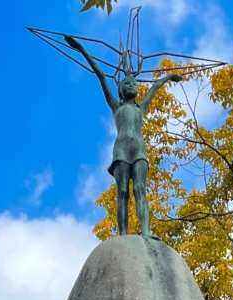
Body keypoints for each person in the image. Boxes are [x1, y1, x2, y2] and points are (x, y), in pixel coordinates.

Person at [64, 34, 182, 239]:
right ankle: (123, 235)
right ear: (120, 89)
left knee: (140, 189)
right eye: (127, 84)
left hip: (138, 149)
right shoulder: (116, 106)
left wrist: (169, 77)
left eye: (134, 84)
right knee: (123, 193)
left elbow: (154, 87)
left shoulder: (140, 107)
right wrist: (82, 49)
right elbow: (100, 74)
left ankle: (146, 230)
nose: (132, 86)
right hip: (120, 150)